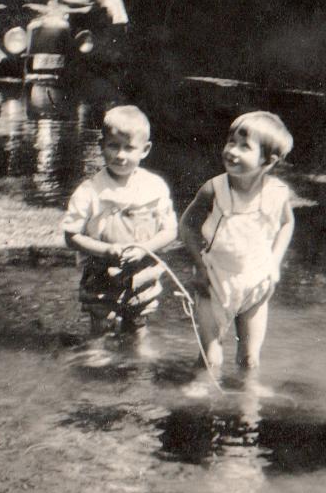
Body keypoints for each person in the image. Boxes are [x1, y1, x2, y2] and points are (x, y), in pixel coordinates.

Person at [179, 111, 295, 374]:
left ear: (267, 160)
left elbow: (287, 224)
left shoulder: (277, 193)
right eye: (231, 142)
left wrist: (274, 263)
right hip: (215, 282)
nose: (232, 151)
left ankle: (247, 398)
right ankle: (202, 393)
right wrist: (199, 266)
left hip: (256, 285)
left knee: (250, 359)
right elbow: (186, 226)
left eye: (244, 147)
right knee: (210, 357)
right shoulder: (214, 189)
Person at [62, 105, 177, 341]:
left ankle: (137, 360)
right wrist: (106, 250)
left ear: (145, 150)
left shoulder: (155, 187)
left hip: (142, 269)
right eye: (113, 146)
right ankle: (95, 359)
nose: (121, 155)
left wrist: (145, 248)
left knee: (138, 325)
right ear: (101, 146)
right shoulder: (90, 190)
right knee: (101, 326)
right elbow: (71, 236)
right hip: (101, 271)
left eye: (129, 148)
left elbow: (170, 231)